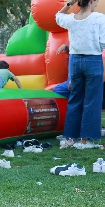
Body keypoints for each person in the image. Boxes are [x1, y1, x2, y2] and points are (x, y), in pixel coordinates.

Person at [56, 0, 105, 149]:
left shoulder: (71, 19)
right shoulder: (99, 18)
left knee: (75, 98)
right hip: (93, 59)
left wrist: (69, 4)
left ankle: (70, 137)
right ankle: (85, 139)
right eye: (95, 1)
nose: (96, 3)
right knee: (92, 101)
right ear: (90, 2)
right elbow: (103, 42)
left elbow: (58, 16)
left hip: (76, 61)